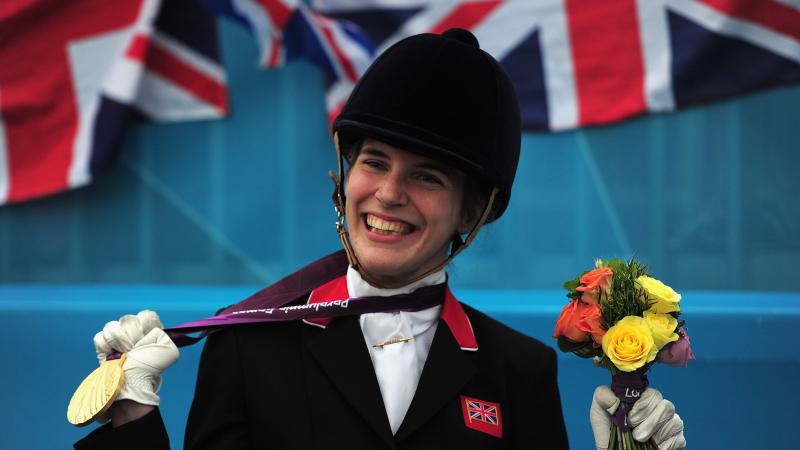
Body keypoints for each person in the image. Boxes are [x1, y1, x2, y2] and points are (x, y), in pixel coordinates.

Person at [74, 29, 685, 450]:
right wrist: (132, 419)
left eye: (426, 177)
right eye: (375, 162)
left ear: (473, 211)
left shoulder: (517, 372)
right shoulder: (250, 350)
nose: (389, 194)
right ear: (343, 177)